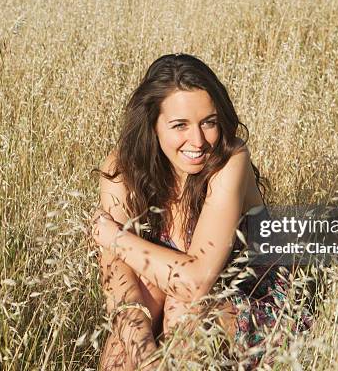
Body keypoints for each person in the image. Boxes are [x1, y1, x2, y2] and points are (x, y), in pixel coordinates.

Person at [90, 53, 305, 370]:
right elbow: (117, 285)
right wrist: (143, 354)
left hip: (256, 307)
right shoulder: (121, 168)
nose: (199, 140)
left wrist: (115, 238)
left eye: (209, 123)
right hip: (176, 295)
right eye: (180, 125)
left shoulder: (231, 160)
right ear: (153, 125)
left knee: (183, 307)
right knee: (127, 334)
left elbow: (195, 284)